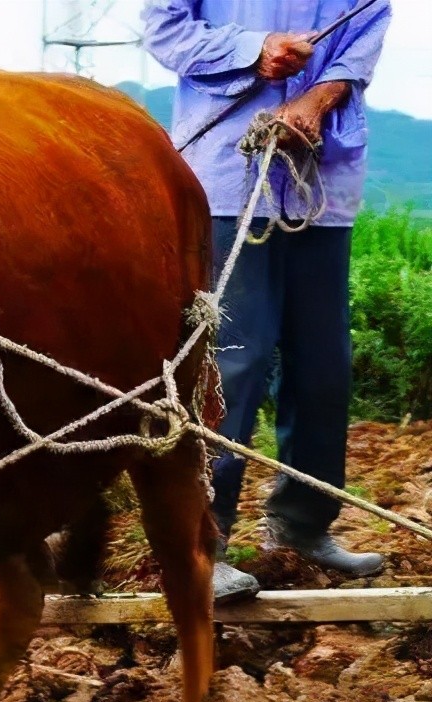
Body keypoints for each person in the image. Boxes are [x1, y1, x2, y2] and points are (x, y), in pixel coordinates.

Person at [141, 0, 392, 602]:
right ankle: (204, 538)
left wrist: (316, 99)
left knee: (323, 363)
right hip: (228, 176)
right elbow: (163, 28)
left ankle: (303, 527)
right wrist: (254, 51)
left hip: (321, 183)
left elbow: (364, 33)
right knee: (234, 358)